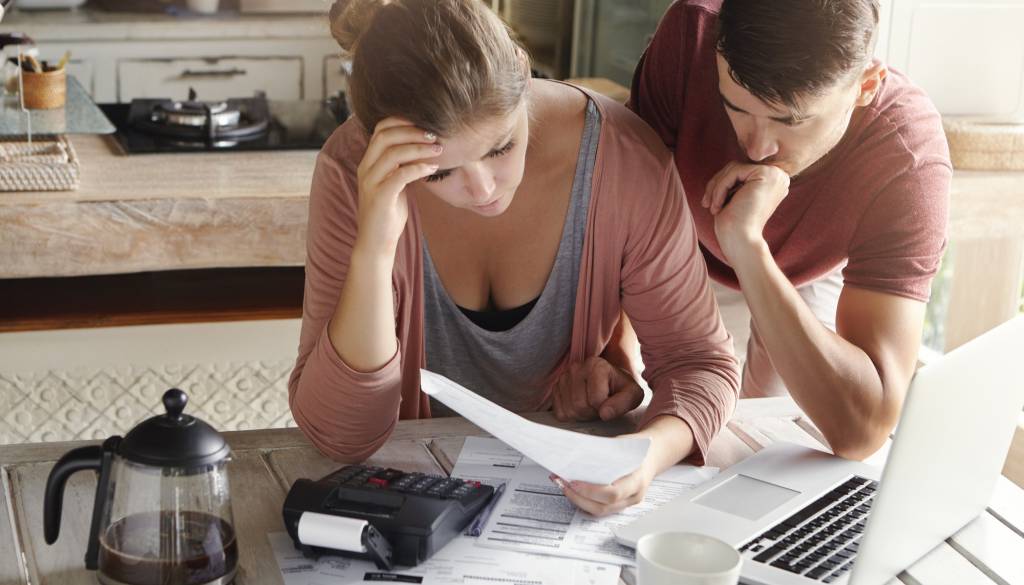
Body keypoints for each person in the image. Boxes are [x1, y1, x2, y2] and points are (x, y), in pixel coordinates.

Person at [287, 0, 740, 516]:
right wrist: (373, 250)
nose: (483, 190)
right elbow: (340, 435)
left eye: (500, 147)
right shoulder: (353, 172)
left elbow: (699, 363)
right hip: (415, 499)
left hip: (560, 499)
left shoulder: (623, 155)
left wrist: (644, 456)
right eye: (440, 173)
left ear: (523, 74)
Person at [614, 0, 951, 460]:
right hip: (677, 235)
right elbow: (622, 210)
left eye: (789, 120)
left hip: (810, 268)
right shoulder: (693, 34)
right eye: (735, 107)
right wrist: (616, 356)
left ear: (866, 86)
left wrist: (748, 246)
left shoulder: (908, 159)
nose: (755, 149)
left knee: (767, 437)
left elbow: (863, 429)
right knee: (658, 418)